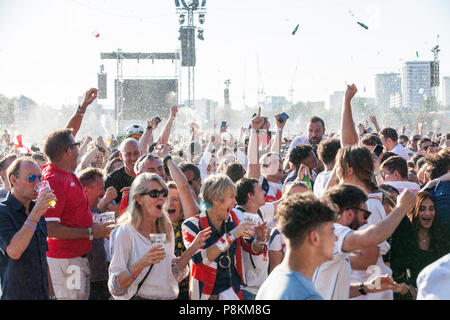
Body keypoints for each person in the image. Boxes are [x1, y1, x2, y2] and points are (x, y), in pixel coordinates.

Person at [108, 173, 210, 300]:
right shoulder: (125, 232)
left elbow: (170, 274)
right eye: (154, 194)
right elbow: (116, 287)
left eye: (164, 193)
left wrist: (191, 249)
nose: (161, 198)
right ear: (139, 199)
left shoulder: (166, 228)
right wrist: (142, 263)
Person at [42, 128, 112, 300]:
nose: (78, 149)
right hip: (66, 259)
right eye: (76, 145)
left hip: (75, 258)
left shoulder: (65, 174)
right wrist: (90, 232)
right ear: (68, 151)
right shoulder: (55, 180)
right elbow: (49, 228)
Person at [313, 184, 415, 300]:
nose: (366, 222)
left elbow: (341, 290)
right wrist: (401, 208)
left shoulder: (335, 238)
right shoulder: (332, 232)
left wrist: (368, 287)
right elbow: (373, 237)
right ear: (349, 214)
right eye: (365, 215)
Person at [182, 174, 267, 300]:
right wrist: (231, 236)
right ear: (216, 198)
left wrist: (259, 240)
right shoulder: (191, 225)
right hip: (206, 296)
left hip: (233, 293)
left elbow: (249, 247)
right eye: (231, 197)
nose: (235, 202)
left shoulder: (233, 218)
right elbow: (200, 260)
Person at [256, 192, 336, 300]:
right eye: (332, 231)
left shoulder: (272, 280)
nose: (336, 238)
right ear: (314, 237)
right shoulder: (307, 295)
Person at [0, 157, 57, 299]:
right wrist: (35, 214)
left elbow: (42, 257)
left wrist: (52, 294)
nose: (38, 183)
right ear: (13, 180)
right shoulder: (3, 211)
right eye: (31, 178)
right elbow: (14, 251)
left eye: (40, 177)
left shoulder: (36, 210)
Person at [233, 178, 276, 300]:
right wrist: (259, 240)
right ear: (250, 195)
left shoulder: (257, 214)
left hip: (260, 289)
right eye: (261, 189)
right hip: (246, 290)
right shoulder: (237, 216)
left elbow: (282, 204)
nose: (264, 192)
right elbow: (252, 247)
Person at [78, 168, 115, 300]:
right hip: (85, 277)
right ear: (87, 190)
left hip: (102, 276)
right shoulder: (76, 212)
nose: (103, 193)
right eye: (100, 189)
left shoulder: (95, 210)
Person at [105, 138, 140, 204]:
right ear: (121, 156)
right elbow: (107, 209)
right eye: (128, 154)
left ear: (141, 153)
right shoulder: (112, 180)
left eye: (136, 153)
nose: (133, 158)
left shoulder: (149, 175)